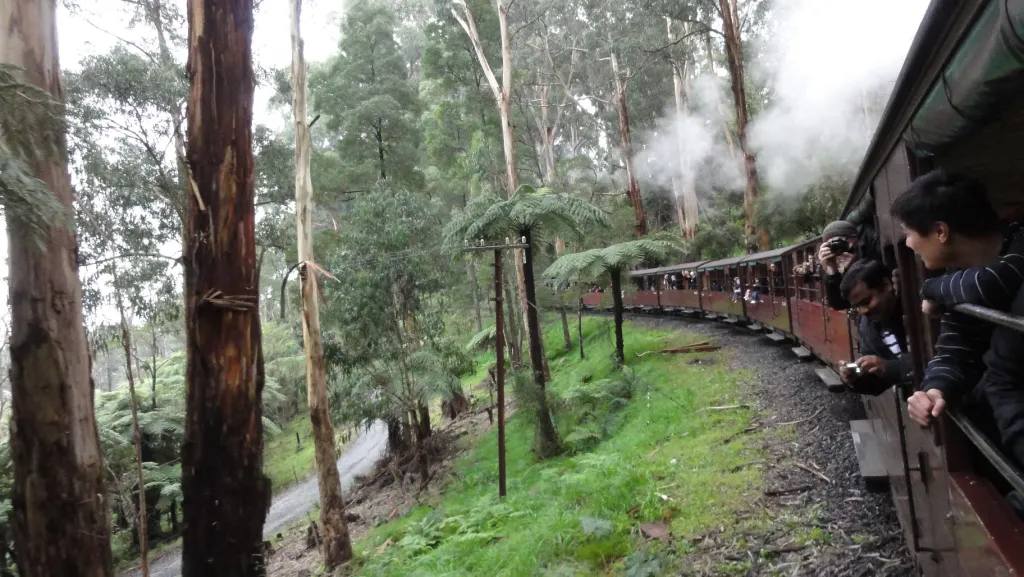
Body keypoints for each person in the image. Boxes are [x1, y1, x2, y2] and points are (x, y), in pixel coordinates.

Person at [890, 171, 1021, 431]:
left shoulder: (1019, 243)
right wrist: (935, 389)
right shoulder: (957, 279)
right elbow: (954, 348)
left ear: (940, 231)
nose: (908, 243)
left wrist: (931, 288)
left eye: (908, 233)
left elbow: (993, 281)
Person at [836, 260, 911, 395]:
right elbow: (878, 382)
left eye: (866, 302)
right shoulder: (868, 326)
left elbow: (940, 359)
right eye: (857, 307)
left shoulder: (917, 309)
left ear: (887, 286)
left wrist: (889, 367)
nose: (863, 311)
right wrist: (856, 379)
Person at [819, 220, 882, 310]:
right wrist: (832, 272)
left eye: (840, 242)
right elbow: (839, 304)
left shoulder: (872, 248)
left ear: (854, 239)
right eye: (833, 246)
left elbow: (875, 292)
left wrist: (854, 266)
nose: (839, 249)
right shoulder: (834, 264)